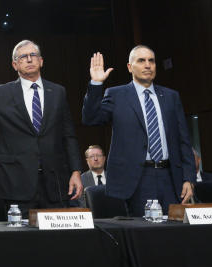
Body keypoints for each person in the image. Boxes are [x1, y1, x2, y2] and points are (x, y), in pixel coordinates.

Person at [0, 42, 83, 217]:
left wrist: (75, 171)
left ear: (41, 61)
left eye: (33, 55)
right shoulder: (2, 93)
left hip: (55, 183)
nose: (29, 59)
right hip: (17, 185)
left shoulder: (58, 92)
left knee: (57, 240)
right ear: (15, 65)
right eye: (23, 56)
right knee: (22, 241)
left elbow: (69, 136)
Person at [82, 48, 196, 216]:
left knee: (174, 233)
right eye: (141, 61)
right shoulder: (116, 94)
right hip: (136, 179)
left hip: (171, 178)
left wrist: (189, 178)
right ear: (130, 67)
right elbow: (90, 119)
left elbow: (183, 140)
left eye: (152, 61)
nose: (148, 65)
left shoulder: (171, 96)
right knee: (145, 234)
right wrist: (96, 84)